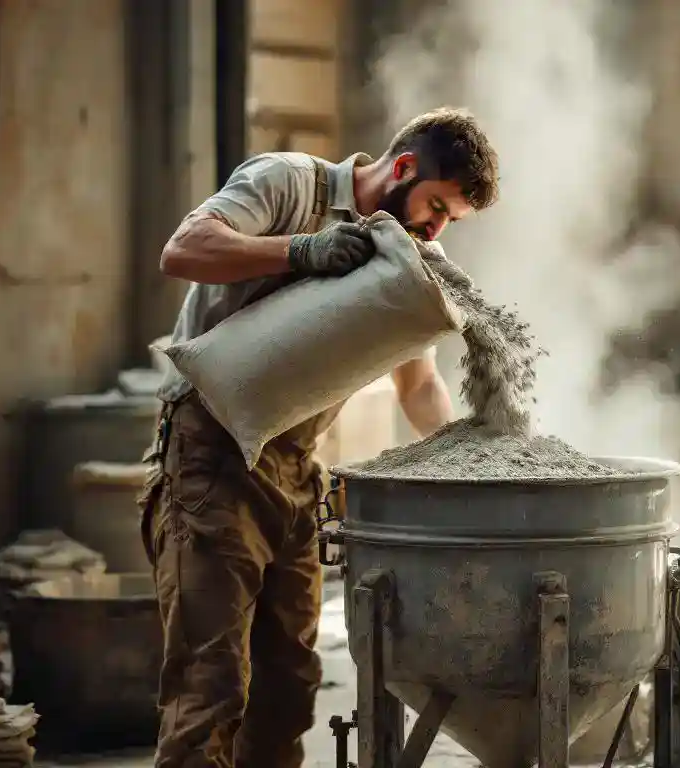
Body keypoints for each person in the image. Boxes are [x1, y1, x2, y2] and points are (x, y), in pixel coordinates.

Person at [139, 107, 500, 768]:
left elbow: (416, 386)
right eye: (437, 206)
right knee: (211, 686)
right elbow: (183, 250)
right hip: (210, 458)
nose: (438, 228)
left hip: (295, 471)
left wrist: (469, 454)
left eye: (453, 220)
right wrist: (299, 250)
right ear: (403, 169)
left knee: (290, 690)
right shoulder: (287, 186)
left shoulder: (409, 256)